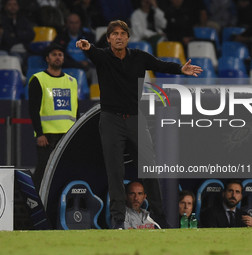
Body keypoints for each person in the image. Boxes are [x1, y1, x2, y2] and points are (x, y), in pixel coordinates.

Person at [76, 20, 202, 229]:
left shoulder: (139, 57)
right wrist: (87, 47)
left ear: (127, 37)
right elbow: (93, 52)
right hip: (110, 120)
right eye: (114, 34)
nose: (118, 37)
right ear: (108, 39)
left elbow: (161, 65)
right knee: (115, 172)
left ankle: (159, 215)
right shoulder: (103, 56)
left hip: (135, 118)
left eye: (122, 33)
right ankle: (118, 220)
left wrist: (181, 69)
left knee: (150, 168)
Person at [28, 43, 78, 192]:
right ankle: (35, 201)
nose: (58, 57)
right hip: (48, 136)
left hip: (67, 134)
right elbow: (33, 109)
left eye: (60, 55)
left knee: (67, 170)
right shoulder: (38, 79)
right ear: (47, 59)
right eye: (54, 54)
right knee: (43, 170)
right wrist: (40, 133)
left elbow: (75, 109)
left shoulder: (72, 81)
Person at [0, 0, 35, 65]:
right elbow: (7, 40)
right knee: (18, 61)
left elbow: (31, 35)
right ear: (5, 7)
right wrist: (23, 34)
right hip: (11, 51)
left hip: (26, 50)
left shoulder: (23, 19)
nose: (12, 7)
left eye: (15, 4)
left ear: (18, 7)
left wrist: (16, 35)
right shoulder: (1, 21)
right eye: (10, 5)